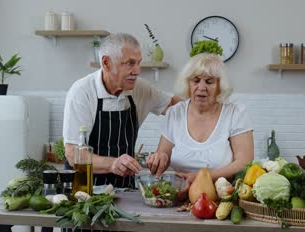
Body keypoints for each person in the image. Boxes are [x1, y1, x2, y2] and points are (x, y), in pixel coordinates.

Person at [63, 33, 181, 188]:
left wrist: (209, 102)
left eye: (138, 63)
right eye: (130, 63)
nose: (137, 71)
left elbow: (176, 107)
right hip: (85, 191)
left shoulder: (139, 88)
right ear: (106, 63)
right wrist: (113, 164)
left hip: (125, 190)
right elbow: (73, 154)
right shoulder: (82, 92)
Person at [147, 53, 254, 186]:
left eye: (209, 81)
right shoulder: (175, 113)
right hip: (180, 195)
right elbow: (163, 155)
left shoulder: (235, 113)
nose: (201, 87)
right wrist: (159, 159)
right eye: (196, 81)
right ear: (188, 84)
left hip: (222, 196)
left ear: (220, 86)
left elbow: (244, 163)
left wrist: (203, 177)